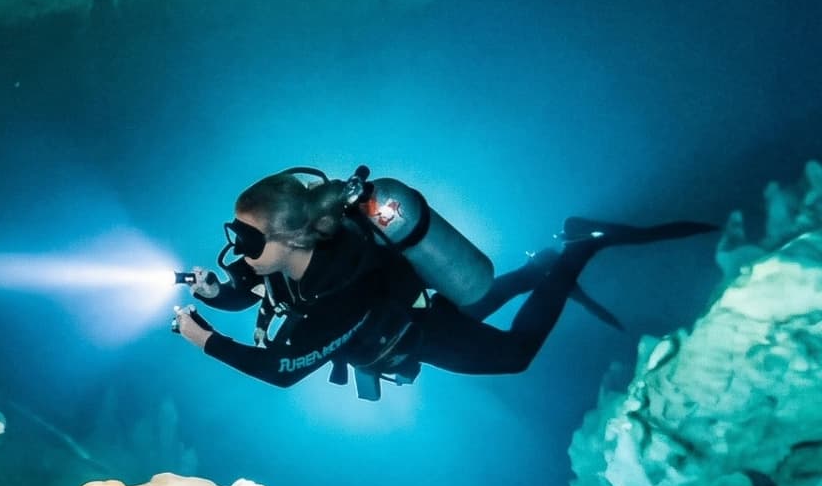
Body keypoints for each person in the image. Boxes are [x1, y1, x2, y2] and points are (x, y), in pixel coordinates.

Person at [171, 169, 715, 393]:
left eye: (248, 239)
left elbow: (282, 370)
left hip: (413, 329)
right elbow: (256, 294)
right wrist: (219, 295)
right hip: (405, 308)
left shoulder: (343, 289)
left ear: (294, 239)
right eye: (236, 234)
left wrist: (203, 339)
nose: (236, 251)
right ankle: (533, 270)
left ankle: (576, 249)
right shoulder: (280, 257)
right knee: (467, 305)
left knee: (514, 353)